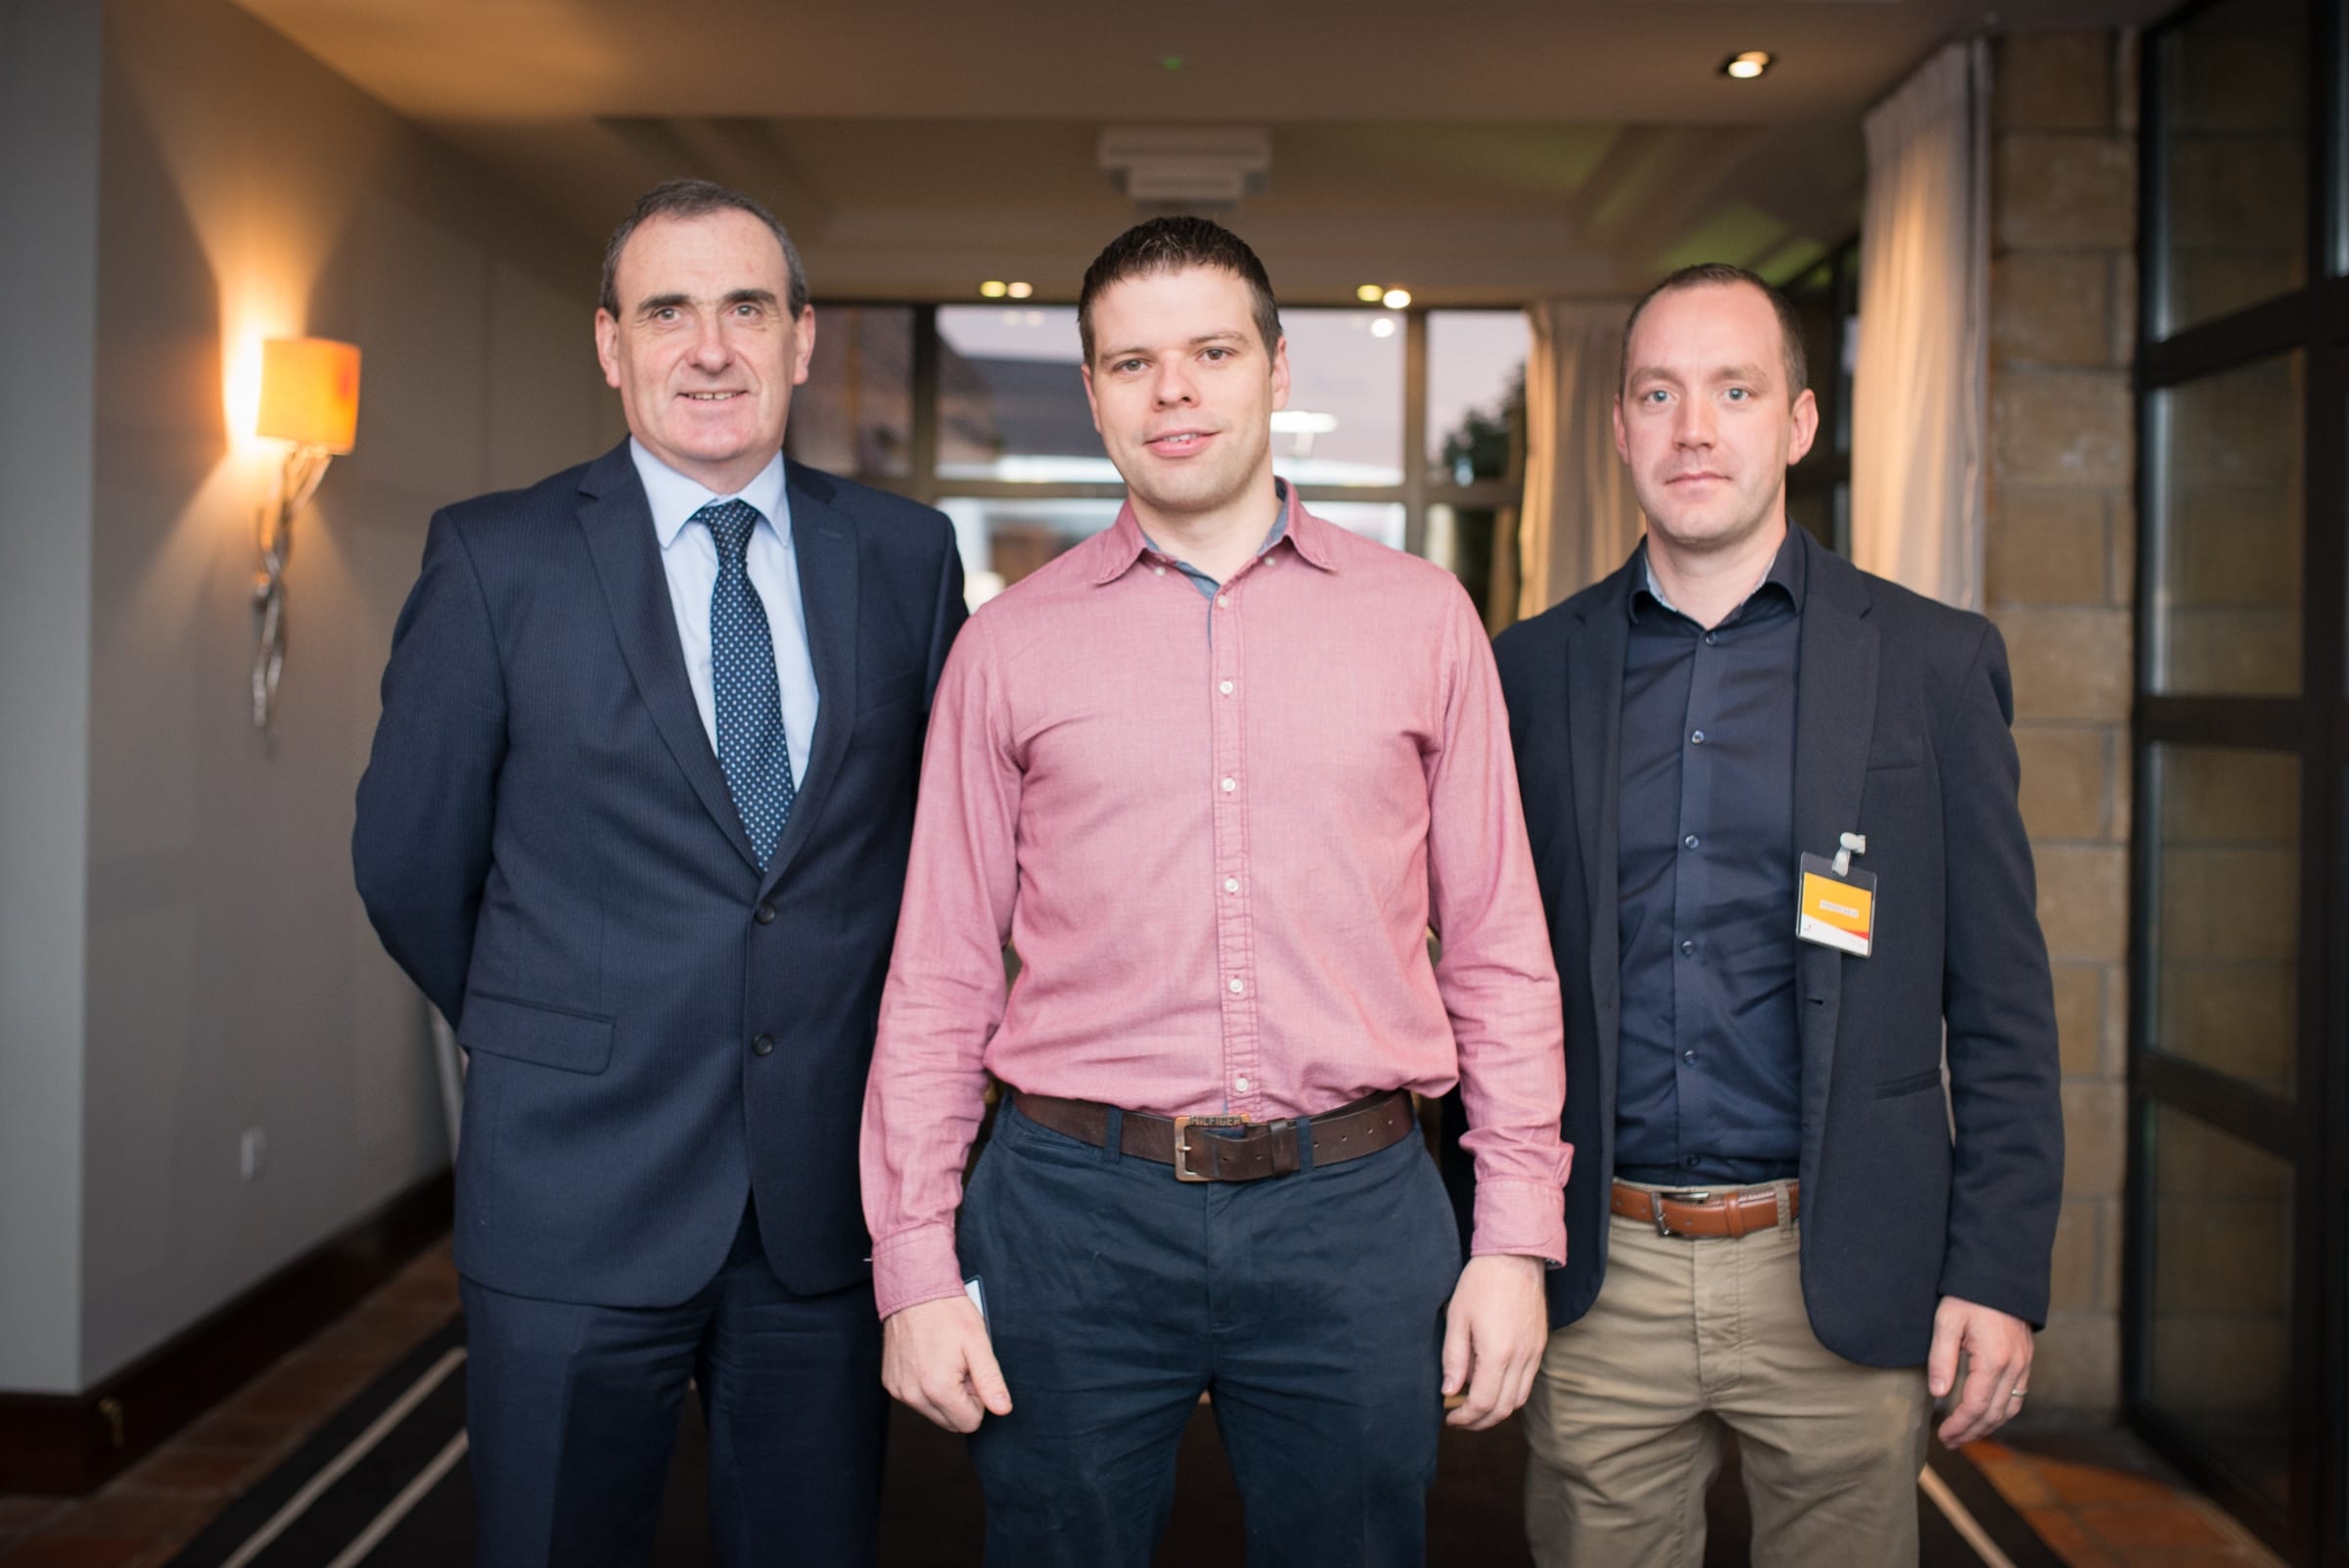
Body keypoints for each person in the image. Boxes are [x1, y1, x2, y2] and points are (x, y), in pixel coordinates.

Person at [858, 215, 1571, 1566]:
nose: (1171, 390)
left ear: (1278, 369)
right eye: (1131, 362)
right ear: (1092, 393)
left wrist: (1515, 1233)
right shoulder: (1006, 650)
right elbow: (940, 973)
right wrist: (913, 1259)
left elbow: (1500, 951)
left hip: (1354, 1214)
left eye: (1209, 351)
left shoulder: (1424, 622)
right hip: (1071, 1213)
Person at [351, 178, 965, 1568]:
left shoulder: (907, 556)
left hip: (821, 1206)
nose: (710, 347)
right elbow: (407, 864)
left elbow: (940, 860)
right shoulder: (495, 559)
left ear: (803, 339)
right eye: (667, 310)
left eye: (747, 307)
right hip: (573, 1193)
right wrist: (547, 1018)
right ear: (609, 344)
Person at [1468, 261, 2062, 1568]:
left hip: (1841, 1265)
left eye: (1733, 390)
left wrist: (2000, 1269)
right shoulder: (1524, 672)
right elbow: (1477, 976)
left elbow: (2007, 1006)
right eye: (1660, 393)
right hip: (1597, 1275)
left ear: (1797, 421)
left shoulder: (1932, 663)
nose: (1694, 428)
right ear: (1619, 427)